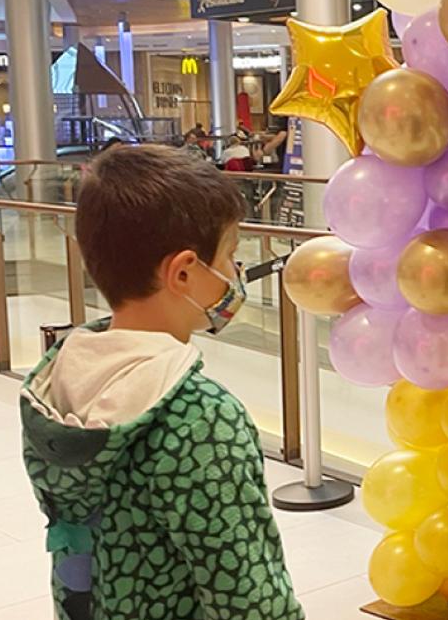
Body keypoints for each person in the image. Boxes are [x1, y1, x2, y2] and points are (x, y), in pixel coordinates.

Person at [19, 145, 303, 620]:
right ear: (184, 272)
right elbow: (249, 598)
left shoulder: (55, 387)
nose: (235, 273)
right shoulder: (200, 418)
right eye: (231, 255)